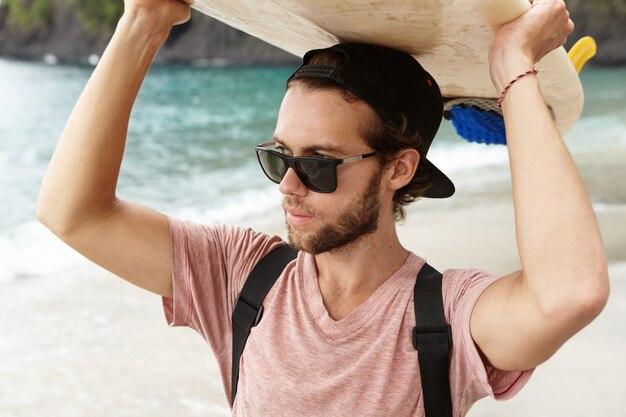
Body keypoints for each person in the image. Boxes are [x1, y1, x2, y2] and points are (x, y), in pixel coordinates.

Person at [36, 0, 609, 415]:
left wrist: (515, 71)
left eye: (318, 163)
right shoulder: (243, 276)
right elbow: (72, 212)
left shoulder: (447, 318)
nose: (288, 185)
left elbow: (569, 294)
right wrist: (143, 21)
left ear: (399, 169)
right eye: (277, 156)